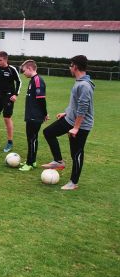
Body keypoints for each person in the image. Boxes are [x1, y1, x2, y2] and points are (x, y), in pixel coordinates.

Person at [41, 55, 94, 190]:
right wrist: (66, 112)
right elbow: (76, 104)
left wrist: (76, 128)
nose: (70, 68)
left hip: (81, 125)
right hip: (70, 118)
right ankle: (58, 161)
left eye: (71, 65)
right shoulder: (79, 82)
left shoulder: (84, 85)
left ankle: (73, 182)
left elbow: (83, 108)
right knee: (49, 132)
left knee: (76, 153)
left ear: (75, 66)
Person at [0, 51, 21, 152]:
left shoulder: (12, 69)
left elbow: (19, 82)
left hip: (9, 96)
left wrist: (16, 94)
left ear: (6, 60)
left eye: (0, 60)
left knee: (6, 118)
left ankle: (10, 142)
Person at [18, 60, 49, 171]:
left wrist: (45, 114)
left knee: (32, 139)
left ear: (30, 68)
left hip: (35, 116)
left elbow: (41, 100)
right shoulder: (33, 80)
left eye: (24, 70)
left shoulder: (37, 80)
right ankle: (32, 160)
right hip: (32, 115)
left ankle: (30, 163)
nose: (23, 73)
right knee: (32, 139)